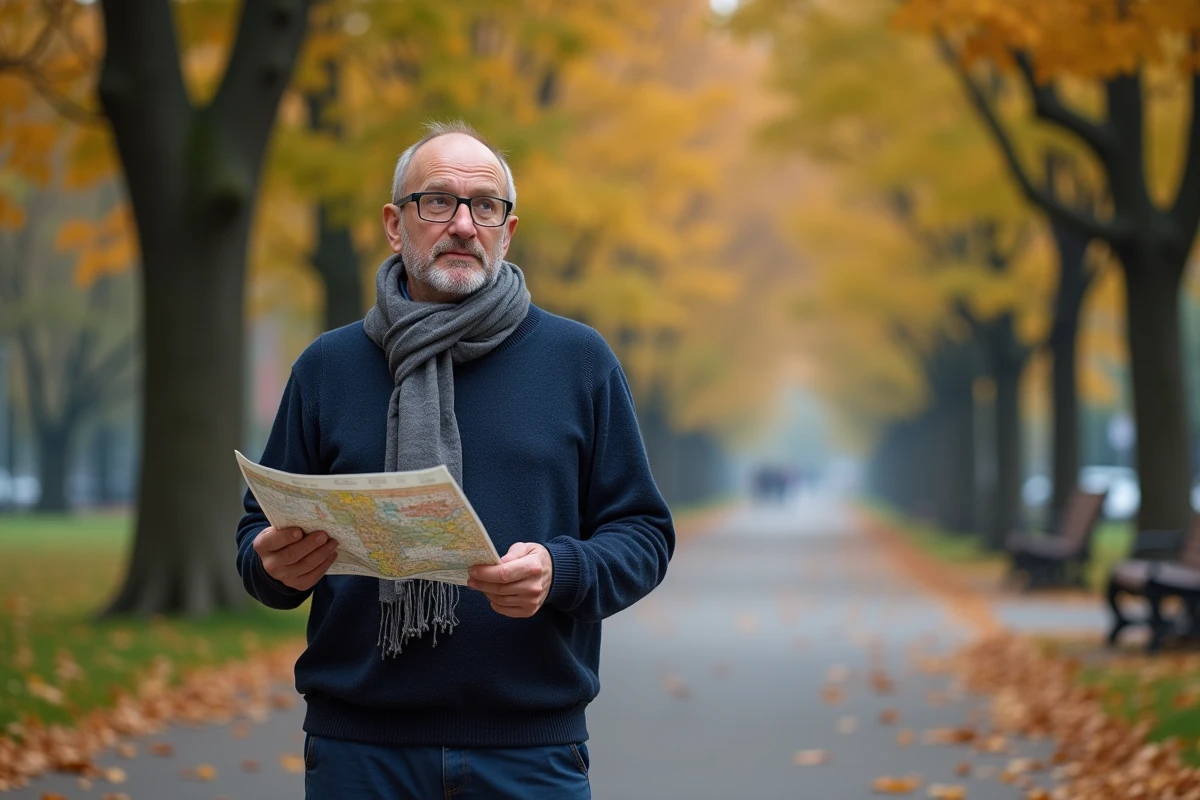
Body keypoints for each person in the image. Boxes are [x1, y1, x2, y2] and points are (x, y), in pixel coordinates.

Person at [234, 120, 675, 799]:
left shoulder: (578, 362)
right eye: (438, 201)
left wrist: (561, 570)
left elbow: (644, 534)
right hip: (359, 753)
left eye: (485, 206)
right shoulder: (328, 367)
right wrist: (271, 566)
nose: (464, 224)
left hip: (531, 754)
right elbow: (255, 538)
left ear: (507, 230)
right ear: (395, 224)